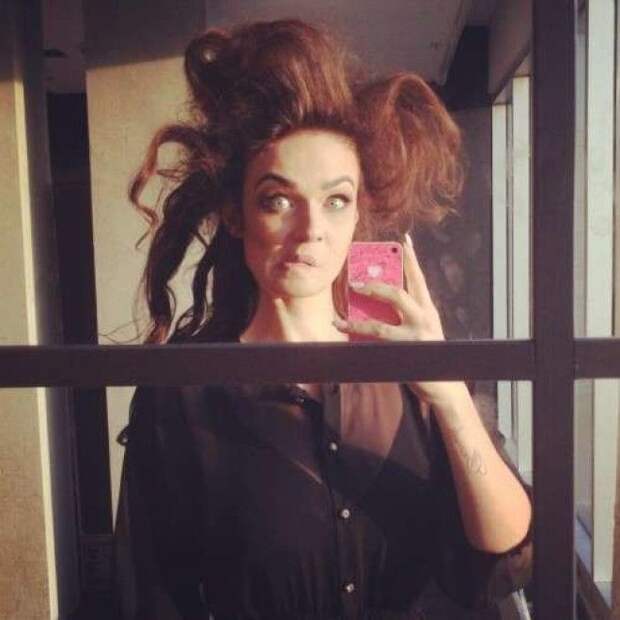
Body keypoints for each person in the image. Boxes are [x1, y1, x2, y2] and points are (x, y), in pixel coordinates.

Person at [114, 18, 533, 620]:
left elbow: (507, 551)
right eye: (278, 199)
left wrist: (448, 394)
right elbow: (152, 598)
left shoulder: (407, 368)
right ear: (234, 213)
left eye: (336, 200)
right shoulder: (184, 394)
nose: (311, 229)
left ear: (358, 214)